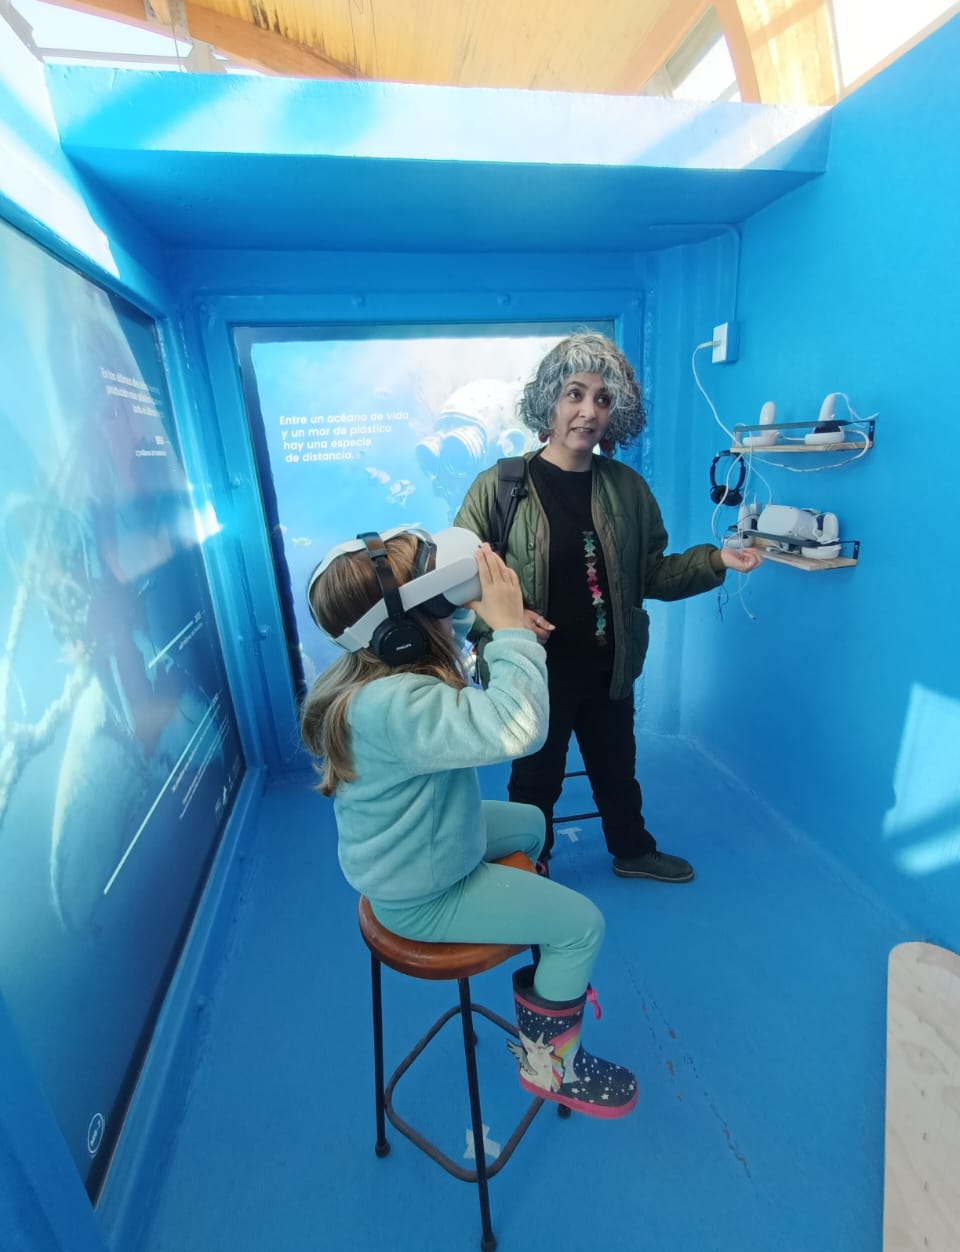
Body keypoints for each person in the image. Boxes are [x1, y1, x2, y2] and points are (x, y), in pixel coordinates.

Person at [300, 525, 637, 1118]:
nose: (449, 613)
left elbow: (444, 657)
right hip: (423, 894)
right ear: (402, 633)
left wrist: (503, 629)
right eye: (437, 604)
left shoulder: (372, 673)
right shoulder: (397, 705)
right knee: (582, 925)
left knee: (531, 824)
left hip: (419, 847)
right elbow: (517, 728)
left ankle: (530, 930)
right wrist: (510, 635)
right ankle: (550, 1066)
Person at [454, 332, 762, 884]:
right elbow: (460, 582)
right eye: (574, 394)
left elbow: (652, 574)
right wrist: (507, 621)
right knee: (535, 779)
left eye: (603, 399)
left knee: (618, 771)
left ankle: (632, 849)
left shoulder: (628, 489)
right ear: (549, 401)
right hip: (533, 673)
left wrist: (717, 560)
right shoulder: (499, 487)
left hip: (610, 667)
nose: (588, 411)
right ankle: (528, 863)